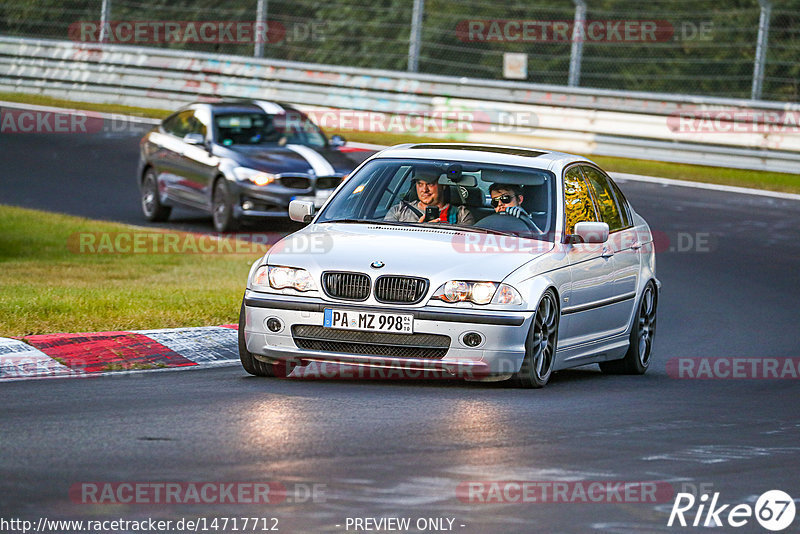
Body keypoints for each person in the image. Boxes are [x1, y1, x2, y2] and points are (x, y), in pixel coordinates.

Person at [384, 171, 475, 225]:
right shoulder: (399, 210)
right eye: (420, 184)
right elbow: (387, 240)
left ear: (443, 185)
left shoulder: (461, 215)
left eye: (430, 184)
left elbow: (462, 247)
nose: (424, 189)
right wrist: (417, 230)